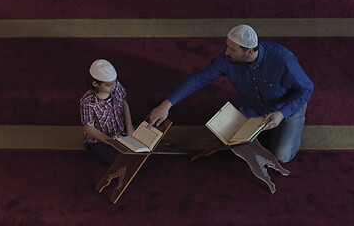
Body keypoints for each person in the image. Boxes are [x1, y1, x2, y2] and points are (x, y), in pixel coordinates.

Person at [148, 24, 313, 163]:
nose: (226, 52)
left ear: (249, 52)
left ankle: (294, 123)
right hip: (253, 108)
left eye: (232, 50)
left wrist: (282, 113)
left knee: (281, 156)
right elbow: (199, 78)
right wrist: (166, 104)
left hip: (284, 108)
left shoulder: (282, 59)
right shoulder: (227, 59)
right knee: (233, 145)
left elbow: (306, 89)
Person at [80, 59, 135, 164]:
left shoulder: (115, 86)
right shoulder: (87, 102)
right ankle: (88, 145)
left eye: (114, 82)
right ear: (95, 83)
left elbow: (124, 103)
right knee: (119, 161)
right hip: (100, 139)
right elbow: (89, 128)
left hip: (119, 133)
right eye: (109, 85)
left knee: (136, 155)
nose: (113, 87)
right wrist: (111, 142)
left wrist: (130, 129)